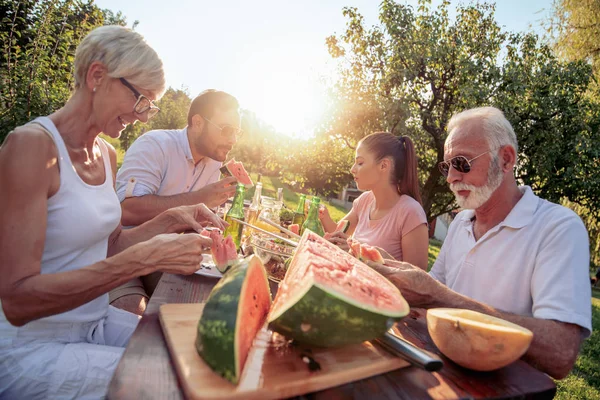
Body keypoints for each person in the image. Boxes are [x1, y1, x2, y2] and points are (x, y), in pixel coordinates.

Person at [0, 26, 226, 399]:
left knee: (192, 352)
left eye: (150, 105)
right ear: (97, 76)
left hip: (91, 321)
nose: (143, 117)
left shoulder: (106, 155)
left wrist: (170, 219)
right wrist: (142, 260)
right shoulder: (30, 148)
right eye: (141, 100)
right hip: (30, 345)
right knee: (166, 386)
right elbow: (17, 301)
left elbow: (111, 244)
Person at [366, 107, 591, 379]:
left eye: (462, 163)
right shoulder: (461, 222)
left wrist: (438, 296)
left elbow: (561, 352)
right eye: (446, 166)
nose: (450, 178)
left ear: (506, 160)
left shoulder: (558, 227)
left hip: (504, 389)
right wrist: (387, 267)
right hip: (440, 373)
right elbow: (430, 292)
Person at [110, 90, 242, 307]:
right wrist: (199, 198)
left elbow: (195, 223)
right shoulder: (156, 145)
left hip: (168, 256)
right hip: (124, 251)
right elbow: (127, 210)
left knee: (204, 307)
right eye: (226, 129)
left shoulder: (214, 165)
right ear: (198, 122)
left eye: (237, 132)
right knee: (133, 314)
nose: (233, 140)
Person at [319, 132, 429, 270]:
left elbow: (416, 278)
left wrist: (357, 254)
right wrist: (323, 215)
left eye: (360, 163)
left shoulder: (411, 212)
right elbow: (337, 233)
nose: (352, 169)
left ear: (383, 165)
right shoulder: (364, 201)